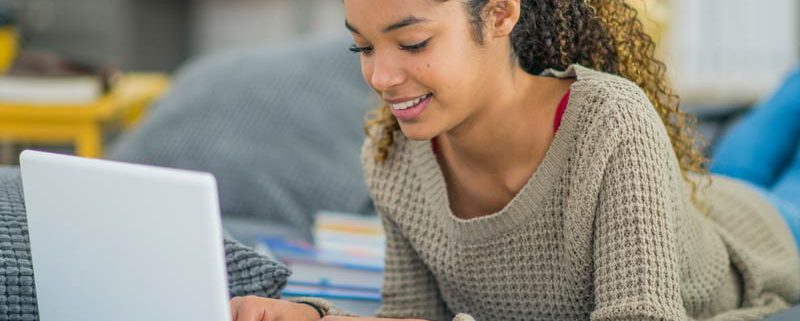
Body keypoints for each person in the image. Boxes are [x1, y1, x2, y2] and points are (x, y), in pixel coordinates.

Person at [229, 1, 800, 320]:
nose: (381, 77)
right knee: (734, 161)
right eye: (363, 46)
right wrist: (313, 319)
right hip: (695, 197)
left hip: (762, 236)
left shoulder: (610, 120)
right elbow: (411, 317)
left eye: (413, 44)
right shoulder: (391, 156)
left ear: (499, 14)